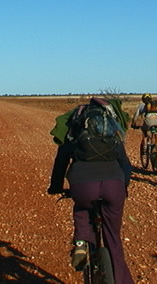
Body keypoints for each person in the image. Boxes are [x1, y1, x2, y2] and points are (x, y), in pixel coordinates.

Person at [47, 97, 134, 284]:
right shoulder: (112, 134)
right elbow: (126, 166)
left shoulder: (73, 133)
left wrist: (55, 187)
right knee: (113, 238)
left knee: (82, 207)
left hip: (83, 184)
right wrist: (123, 187)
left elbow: (61, 162)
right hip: (114, 185)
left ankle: (80, 242)